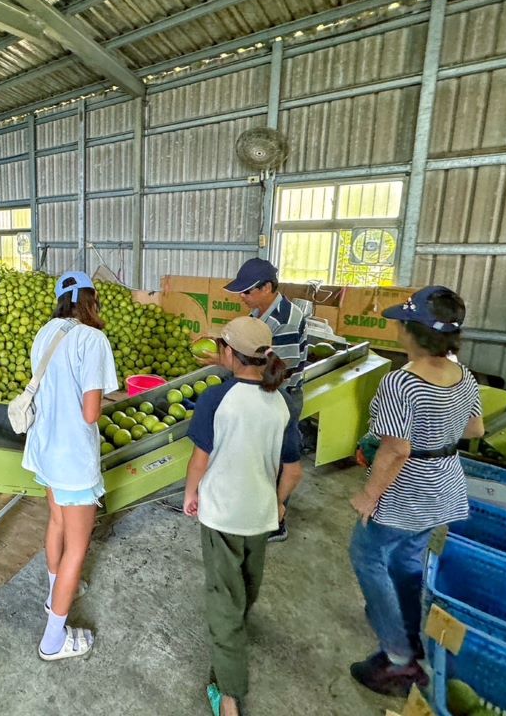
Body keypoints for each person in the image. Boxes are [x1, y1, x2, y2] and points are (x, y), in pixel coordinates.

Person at [348, 286, 484, 696]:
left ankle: (397, 658)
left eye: (402, 322)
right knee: (407, 561)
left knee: (367, 556)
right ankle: (412, 640)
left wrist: (369, 497)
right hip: (442, 485)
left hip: (405, 493)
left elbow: (395, 451)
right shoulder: (464, 375)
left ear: (414, 332)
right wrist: (440, 428)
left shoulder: (400, 383)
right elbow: (475, 429)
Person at [183, 316, 304, 716]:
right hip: (260, 513)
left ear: (229, 354)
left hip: (222, 514)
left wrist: (190, 494)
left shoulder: (216, 398)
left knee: (224, 600)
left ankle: (229, 693)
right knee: (249, 581)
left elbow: (199, 461)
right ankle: (238, 625)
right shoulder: (282, 402)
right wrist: (281, 502)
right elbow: (293, 469)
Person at [21, 270, 118, 661]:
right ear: (90, 301)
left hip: (44, 450)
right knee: (77, 549)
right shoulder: (92, 339)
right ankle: (53, 640)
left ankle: (53, 593)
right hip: (72, 458)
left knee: (57, 522)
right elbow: (91, 413)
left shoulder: (46, 332)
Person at [225, 257, 307, 542]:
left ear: (268, 287)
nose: (242, 298)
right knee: (263, 457)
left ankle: (277, 519)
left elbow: (277, 371)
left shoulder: (284, 319)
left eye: (247, 292)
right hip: (265, 391)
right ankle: (259, 508)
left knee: (282, 458)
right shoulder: (258, 313)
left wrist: (232, 366)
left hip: (282, 396)